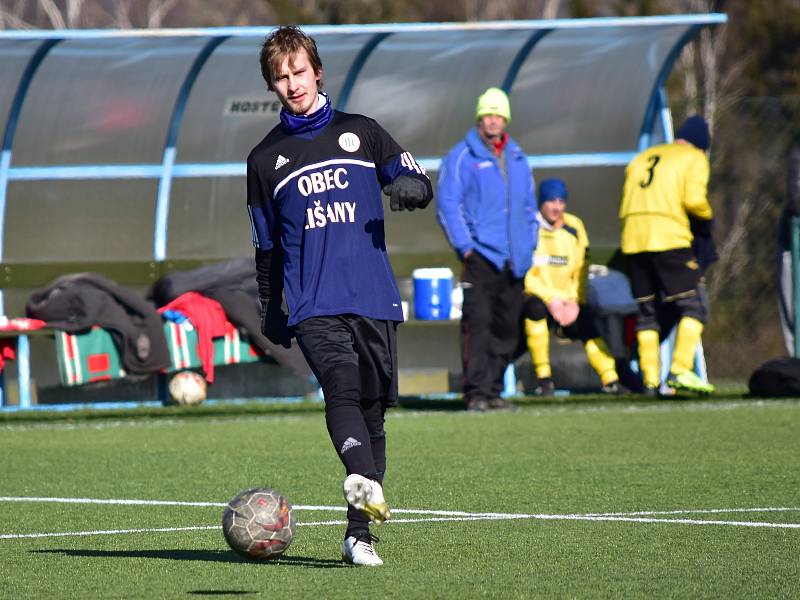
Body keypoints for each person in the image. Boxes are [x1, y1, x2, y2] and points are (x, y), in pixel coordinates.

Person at [246, 26, 432, 566]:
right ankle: (358, 477)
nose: (291, 84)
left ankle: (358, 537)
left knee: (373, 416)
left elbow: (417, 180)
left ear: (317, 70)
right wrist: (270, 305)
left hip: (372, 296)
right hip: (313, 301)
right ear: (271, 85)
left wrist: (408, 190)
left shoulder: (363, 133)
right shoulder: (265, 158)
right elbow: (266, 244)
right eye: (280, 78)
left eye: (298, 72)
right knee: (342, 389)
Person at [437, 87, 538, 412]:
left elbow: (528, 207)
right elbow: (448, 204)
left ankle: (494, 389)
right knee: (477, 325)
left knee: (507, 328)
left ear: (505, 119)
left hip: (515, 260)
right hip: (481, 255)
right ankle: (476, 392)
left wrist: (529, 242)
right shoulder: (462, 156)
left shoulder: (518, 157)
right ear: (480, 118)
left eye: (499, 115)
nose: (493, 120)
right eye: (488, 114)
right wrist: (465, 247)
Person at [619, 115, 715, 395]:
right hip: (668, 237)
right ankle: (681, 369)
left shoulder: (642, 157)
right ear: (700, 144)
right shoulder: (693, 157)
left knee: (647, 312)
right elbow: (694, 200)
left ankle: (649, 381)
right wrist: (707, 220)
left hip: (633, 240)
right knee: (694, 305)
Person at [522, 178, 620, 395]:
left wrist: (576, 301)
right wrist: (551, 300)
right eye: (551, 201)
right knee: (534, 311)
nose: (557, 207)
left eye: (561, 201)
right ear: (541, 202)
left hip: (569, 301)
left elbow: (581, 269)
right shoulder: (529, 228)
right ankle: (544, 378)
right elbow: (526, 275)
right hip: (540, 298)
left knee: (588, 324)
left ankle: (611, 378)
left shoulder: (574, 227)